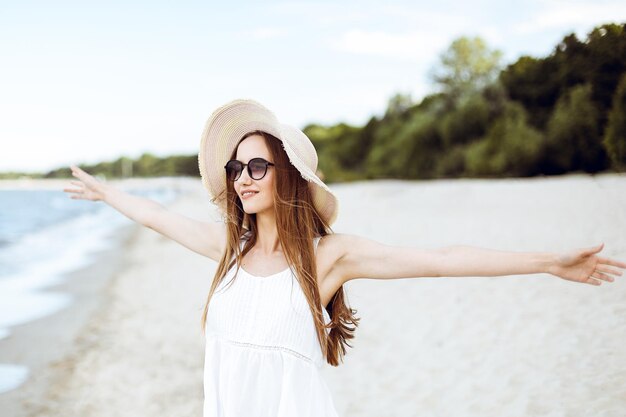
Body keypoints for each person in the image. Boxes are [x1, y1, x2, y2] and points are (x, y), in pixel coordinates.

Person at [64, 99, 626, 417]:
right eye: (236, 169)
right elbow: (159, 218)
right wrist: (109, 194)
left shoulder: (329, 256)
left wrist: (549, 261)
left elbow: (440, 258)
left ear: (288, 174)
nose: (242, 179)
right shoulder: (227, 254)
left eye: (256, 166)